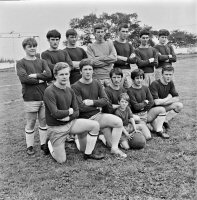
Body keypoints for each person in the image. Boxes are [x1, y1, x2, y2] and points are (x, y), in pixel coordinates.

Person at [43, 62, 105, 163]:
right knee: (61, 160)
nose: (64, 77)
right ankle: (50, 143)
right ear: (55, 76)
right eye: (61, 74)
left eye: (66, 74)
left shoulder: (70, 90)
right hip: (56, 127)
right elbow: (55, 114)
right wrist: (69, 111)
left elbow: (76, 111)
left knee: (95, 125)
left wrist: (68, 117)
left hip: (70, 123)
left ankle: (88, 154)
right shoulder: (49, 91)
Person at [72, 58, 127, 158]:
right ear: (80, 71)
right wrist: (98, 104)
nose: (88, 72)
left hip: (97, 115)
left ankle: (114, 148)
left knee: (118, 122)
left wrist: (91, 102)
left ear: (93, 71)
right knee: (83, 149)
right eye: (85, 69)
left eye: (90, 69)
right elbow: (81, 107)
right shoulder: (75, 86)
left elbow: (105, 101)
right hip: (83, 120)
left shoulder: (96, 83)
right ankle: (77, 137)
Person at [16, 37, 52, 155]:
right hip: (30, 97)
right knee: (31, 122)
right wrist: (41, 79)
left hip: (44, 96)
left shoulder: (42, 61)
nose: (32, 48)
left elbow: (49, 75)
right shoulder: (20, 63)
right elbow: (24, 78)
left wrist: (35, 75)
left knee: (43, 120)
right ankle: (30, 146)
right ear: (24, 48)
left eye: (34, 46)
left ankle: (43, 144)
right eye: (29, 46)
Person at [127, 69, 169, 139]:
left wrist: (143, 107)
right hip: (138, 117)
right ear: (132, 79)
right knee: (148, 136)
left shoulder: (145, 88)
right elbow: (136, 107)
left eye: (141, 78)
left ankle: (159, 131)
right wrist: (145, 103)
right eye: (137, 78)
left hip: (147, 113)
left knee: (162, 109)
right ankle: (146, 125)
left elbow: (151, 101)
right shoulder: (130, 90)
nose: (139, 80)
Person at [150, 66, 183, 131]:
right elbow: (156, 102)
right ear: (162, 74)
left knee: (179, 105)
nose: (168, 76)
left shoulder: (170, 83)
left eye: (170, 75)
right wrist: (168, 97)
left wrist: (164, 101)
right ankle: (156, 120)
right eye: (166, 74)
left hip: (163, 105)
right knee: (155, 130)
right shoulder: (155, 84)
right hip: (154, 108)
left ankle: (165, 120)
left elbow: (177, 98)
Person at [113, 23, 137, 88]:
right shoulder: (113, 44)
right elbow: (114, 60)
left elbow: (134, 60)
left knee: (129, 92)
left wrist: (121, 58)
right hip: (117, 72)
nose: (125, 33)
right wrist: (128, 60)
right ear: (118, 32)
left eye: (126, 31)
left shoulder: (129, 45)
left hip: (128, 72)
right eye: (123, 31)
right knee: (118, 91)